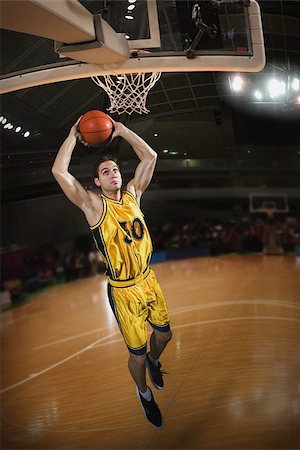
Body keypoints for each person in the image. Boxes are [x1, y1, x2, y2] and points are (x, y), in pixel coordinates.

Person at [52, 117, 172, 428]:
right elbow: (59, 172)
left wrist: (121, 131)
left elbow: (151, 157)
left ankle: (156, 363)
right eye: (105, 172)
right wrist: (72, 136)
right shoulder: (93, 207)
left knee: (165, 334)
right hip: (123, 290)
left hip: (148, 279)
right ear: (97, 182)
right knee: (137, 355)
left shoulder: (134, 193)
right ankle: (144, 394)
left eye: (115, 169)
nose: (113, 174)